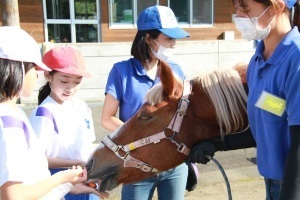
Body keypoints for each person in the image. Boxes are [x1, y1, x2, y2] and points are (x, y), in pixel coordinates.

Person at [186, 0, 300, 199]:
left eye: (245, 8)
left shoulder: (296, 59)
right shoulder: (257, 62)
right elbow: (267, 125)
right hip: (273, 183)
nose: (238, 16)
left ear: (278, 6)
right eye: (236, 8)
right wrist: (216, 144)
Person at [0, 26, 107, 200]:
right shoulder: (9, 120)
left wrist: (67, 185)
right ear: (15, 68)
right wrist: (63, 178)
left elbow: (33, 175)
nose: (37, 75)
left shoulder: (14, 112)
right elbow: (14, 195)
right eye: (34, 68)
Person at [101, 5, 190, 200]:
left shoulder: (176, 72)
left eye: (175, 39)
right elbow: (107, 119)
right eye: (169, 38)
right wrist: (142, 141)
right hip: (136, 166)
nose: (174, 44)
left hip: (174, 166)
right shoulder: (121, 71)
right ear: (148, 38)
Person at [29, 46, 104, 200]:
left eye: (77, 82)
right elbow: (36, 160)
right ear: (48, 76)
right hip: (57, 182)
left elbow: (89, 144)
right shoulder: (44, 113)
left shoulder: (82, 106)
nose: (70, 88)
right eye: (64, 81)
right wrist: (76, 162)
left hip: (85, 177)